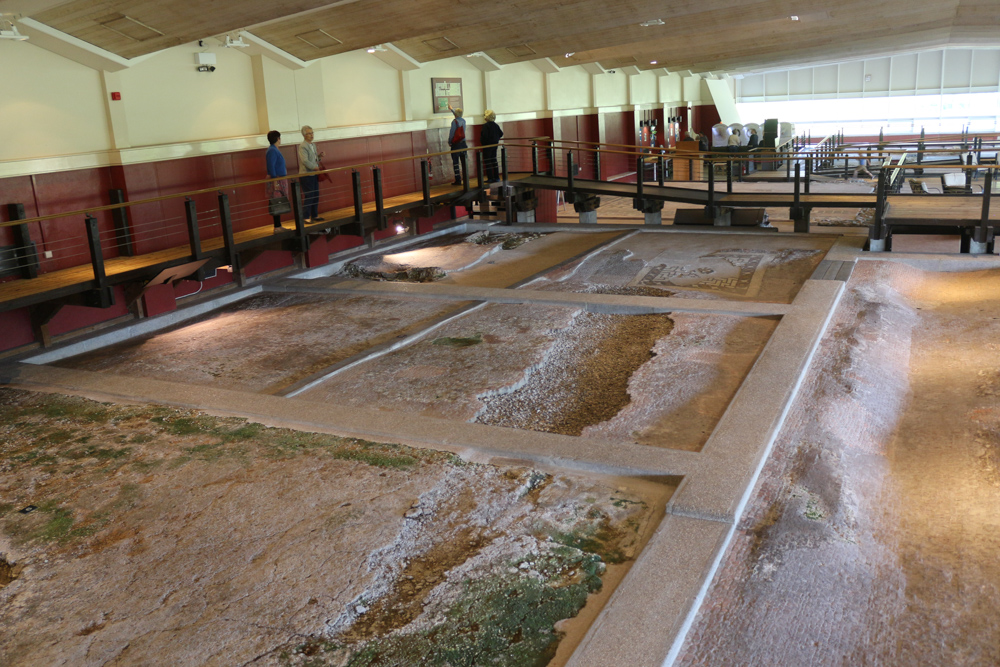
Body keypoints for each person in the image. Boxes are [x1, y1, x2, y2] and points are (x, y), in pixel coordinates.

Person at [298, 125, 325, 223]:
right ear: (304, 135)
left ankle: (314, 215)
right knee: (309, 195)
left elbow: (313, 159)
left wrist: (319, 156)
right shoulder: (302, 146)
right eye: (309, 133)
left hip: (313, 174)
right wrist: (315, 168)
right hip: (306, 175)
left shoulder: (313, 145)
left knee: (316, 194)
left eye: (312, 133)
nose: (311, 135)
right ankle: (306, 217)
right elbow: (305, 161)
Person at [265, 130, 287, 231]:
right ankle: (277, 226)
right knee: (276, 202)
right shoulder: (272, 151)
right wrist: (275, 181)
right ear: (278, 138)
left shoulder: (274, 149)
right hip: (277, 179)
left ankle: (279, 225)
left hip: (279, 178)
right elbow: (271, 166)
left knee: (279, 202)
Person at [480, 110, 504, 183]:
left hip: (487, 146)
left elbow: (484, 136)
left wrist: (483, 142)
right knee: (494, 160)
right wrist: (496, 139)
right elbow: (501, 133)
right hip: (494, 145)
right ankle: (496, 177)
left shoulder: (486, 126)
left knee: (488, 161)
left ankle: (490, 178)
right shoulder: (496, 125)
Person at [447, 104, 467, 185]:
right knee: (464, 162)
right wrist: (452, 109)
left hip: (456, 144)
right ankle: (466, 179)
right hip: (463, 144)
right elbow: (457, 115)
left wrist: (449, 141)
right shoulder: (464, 121)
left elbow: (452, 133)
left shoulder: (454, 122)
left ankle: (458, 179)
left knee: (456, 162)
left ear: (455, 114)